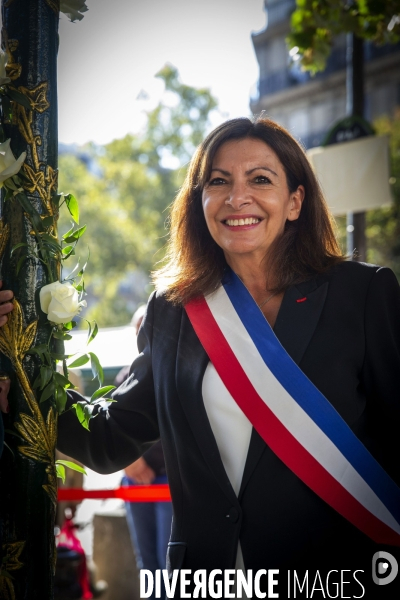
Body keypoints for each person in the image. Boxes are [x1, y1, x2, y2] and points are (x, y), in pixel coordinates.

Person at [57, 117, 400, 597]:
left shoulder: (362, 295)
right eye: (219, 182)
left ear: (295, 201)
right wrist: (20, 377)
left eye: (260, 179)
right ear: (200, 203)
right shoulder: (174, 310)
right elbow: (110, 439)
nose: (238, 198)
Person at [115, 305, 172, 599]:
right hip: (136, 482)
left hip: (170, 484)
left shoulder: (178, 371)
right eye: (139, 326)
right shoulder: (126, 377)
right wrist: (131, 462)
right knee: (147, 566)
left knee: (170, 565)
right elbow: (116, 428)